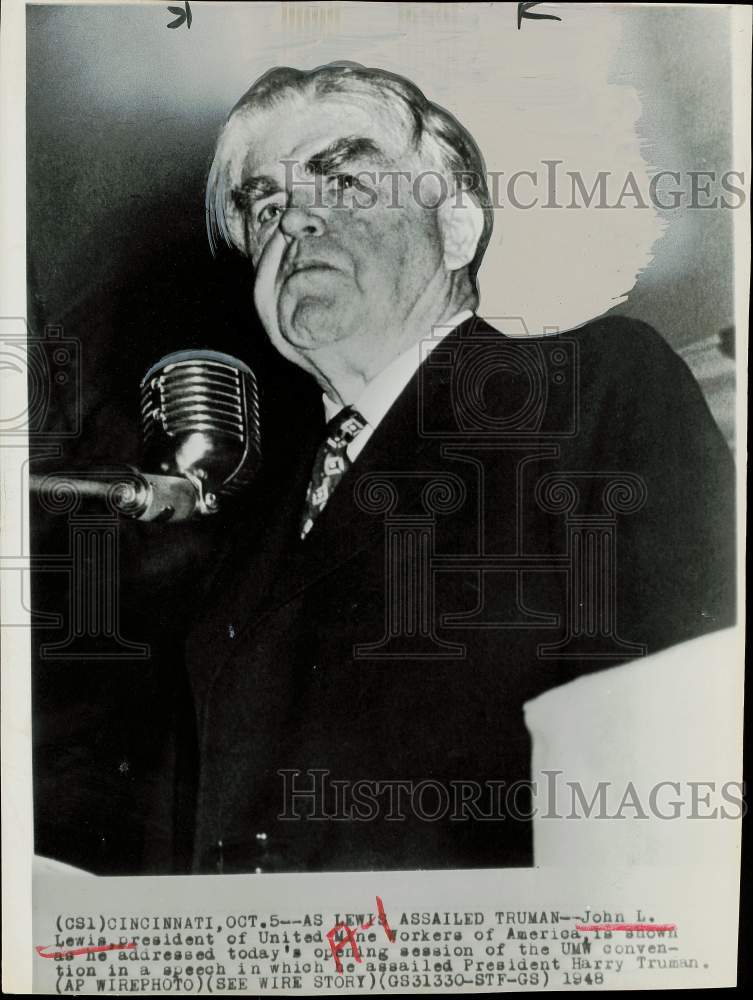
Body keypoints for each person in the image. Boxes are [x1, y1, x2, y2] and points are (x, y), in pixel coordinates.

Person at [179, 62, 735, 874]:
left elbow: (676, 737)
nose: (294, 220)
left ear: (456, 228)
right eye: (266, 206)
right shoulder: (238, 542)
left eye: (345, 183)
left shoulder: (586, 392)